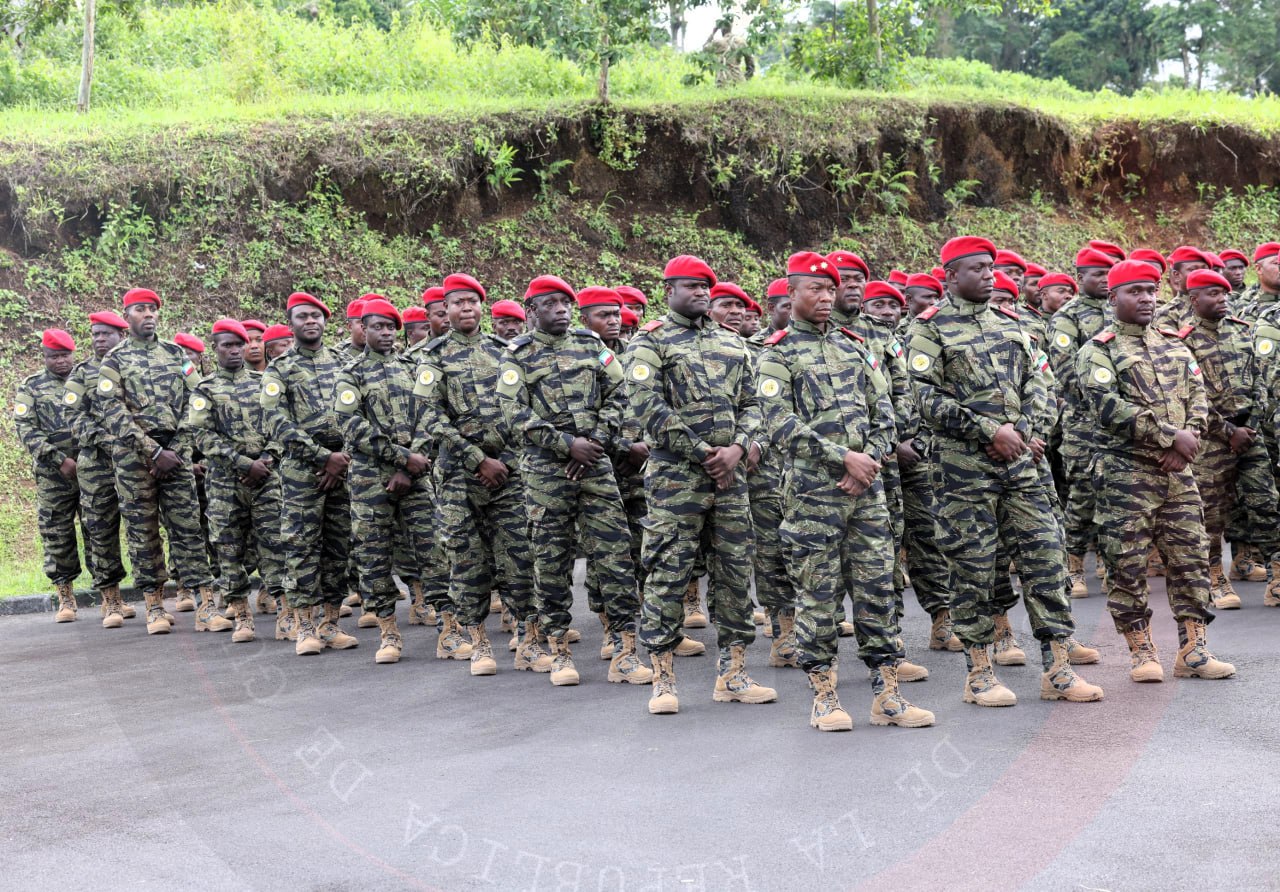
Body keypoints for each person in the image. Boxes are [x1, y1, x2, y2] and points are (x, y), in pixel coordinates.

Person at [907, 237, 1102, 707]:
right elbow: (924, 398)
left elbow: (1042, 381)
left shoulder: (1013, 324)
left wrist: (1025, 431)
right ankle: (979, 673)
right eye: (977, 268)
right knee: (972, 568)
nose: (990, 275)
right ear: (951, 277)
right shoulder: (927, 331)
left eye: (992, 267)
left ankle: (1057, 668)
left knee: (1045, 562)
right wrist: (990, 430)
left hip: (1021, 467)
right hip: (962, 473)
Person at [758, 254, 934, 731]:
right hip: (814, 497)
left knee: (877, 591)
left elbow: (885, 413)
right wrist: (843, 458)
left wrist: (868, 461)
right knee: (817, 596)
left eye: (830, 290)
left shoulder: (857, 347)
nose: (824, 297)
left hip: (867, 493)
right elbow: (779, 423)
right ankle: (825, 697)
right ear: (790, 293)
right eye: (814, 289)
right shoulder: (776, 353)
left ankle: (888, 696)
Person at [624, 255, 774, 714]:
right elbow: (646, 404)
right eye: (691, 287)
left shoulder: (733, 343)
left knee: (732, 573)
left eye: (706, 287)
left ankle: (732, 673)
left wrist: (739, 446)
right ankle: (663, 678)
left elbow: (754, 401)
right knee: (668, 573)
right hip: (675, 478)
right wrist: (703, 452)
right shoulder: (650, 343)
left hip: (730, 478)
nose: (701, 294)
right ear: (668, 290)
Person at [1076, 260, 1235, 682]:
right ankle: (1141, 651)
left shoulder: (1174, 343)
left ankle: (1194, 649)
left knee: (1191, 559)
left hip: (1179, 474)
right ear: (1113, 298)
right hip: (1126, 476)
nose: (1146, 298)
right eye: (1135, 292)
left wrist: (1188, 442)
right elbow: (1109, 408)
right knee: (1126, 564)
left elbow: (1199, 398)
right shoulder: (1099, 350)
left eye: (1151, 290)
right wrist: (1170, 437)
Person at [499, 282, 651, 685]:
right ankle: (559, 651)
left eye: (566, 303)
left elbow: (619, 391)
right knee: (550, 560)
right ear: (532, 310)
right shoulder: (517, 355)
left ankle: (625, 650)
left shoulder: (592, 345)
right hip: (546, 472)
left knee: (615, 555)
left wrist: (596, 442)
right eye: (551, 304)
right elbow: (512, 412)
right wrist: (567, 445)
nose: (561, 310)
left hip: (596, 466)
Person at [414, 273, 538, 677]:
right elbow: (431, 417)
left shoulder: (505, 352)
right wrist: (475, 459)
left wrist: (505, 462)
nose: (465, 309)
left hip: (508, 474)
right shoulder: (433, 357)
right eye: (456, 303)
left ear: (482, 307)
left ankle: (529, 639)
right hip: (458, 479)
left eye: (472, 302)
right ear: (444, 310)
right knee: (467, 561)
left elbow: (524, 409)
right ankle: (479, 643)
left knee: (519, 556)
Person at [96, 288, 220, 635]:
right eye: (140, 309)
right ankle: (154, 606)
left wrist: (177, 449)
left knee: (188, 529)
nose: (148, 315)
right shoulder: (114, 360)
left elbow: (197, 399)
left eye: (152, 309)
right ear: (127, 316)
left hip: (176, 454)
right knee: (143, 531)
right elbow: (113, 411)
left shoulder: (177, 354)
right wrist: (152, 451)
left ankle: (206, 606)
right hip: (135, 458)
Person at [333, 297, 432, 664]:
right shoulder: (350, 374)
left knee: (432, 550)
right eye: (378, 327)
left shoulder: (414, 368)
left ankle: (450, 628)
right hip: (370, 480)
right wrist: (401, 456)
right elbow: (351, 425)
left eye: (391, 327)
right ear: (364, 329)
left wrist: (410, 465)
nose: (386, 333)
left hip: (417, 476)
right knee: (373, 555)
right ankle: (389, 632)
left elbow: (429, 415)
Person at [1179, 269, 1280, 609]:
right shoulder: (1183, 341)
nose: (1222, 299)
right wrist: (1227, 431)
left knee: (1266, 504)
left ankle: (1277, 576)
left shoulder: (1242, 332)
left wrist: (1250, 424)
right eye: (1213, 294)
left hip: (1250, 435)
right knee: (1212, 513)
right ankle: (1214, 577)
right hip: (1211, 441)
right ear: (1195, 300)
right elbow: (1189, 399)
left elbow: (1259, 383)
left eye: (1224, 294)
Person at [260, 292, 355, 652]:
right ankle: (304, 627)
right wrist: (321, 457)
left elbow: (359, 412)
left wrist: (341, 457)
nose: (310, 321)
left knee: (338, 544)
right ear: (291, 323)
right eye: (302, 317)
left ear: (325, 321)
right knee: (300, 545)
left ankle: (330, 622)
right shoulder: (279, 369)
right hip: (303, 473)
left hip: (344, 469)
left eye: (316, 315)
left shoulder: (345, 364)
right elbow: (276, 420)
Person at [186, 319, 290, 644]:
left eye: (238, 344)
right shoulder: (204, 389)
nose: (234, 350)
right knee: (228, 548)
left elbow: (282, 424)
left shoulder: (265, 382)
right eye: (226, 345)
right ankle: (242, 616)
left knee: (275, 543)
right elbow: (202, 435)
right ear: (215, 348)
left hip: (266, 480)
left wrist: (268, 458)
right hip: (224, 485)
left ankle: (286, 613)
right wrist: (244, 463)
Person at [1048, 247, 1115, 596]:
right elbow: (1065, 373)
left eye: (1110, 273)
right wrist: (1109, 393)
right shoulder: (1066, 318)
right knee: (1083, 495)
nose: (1105, 280)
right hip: (1083, 423)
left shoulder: (1120, 312)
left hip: (1117, 424)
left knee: (1115, 494)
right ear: (1080, 278)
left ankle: (1108, 561)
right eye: (1097, 274)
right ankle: (1073, 563)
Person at [62, 312, 133, 627]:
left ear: (122, 335)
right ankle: (112, 601)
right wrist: (108, 439)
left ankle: (154, 599)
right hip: (96, 463)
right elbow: (72, 414)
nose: (99, 339)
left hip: (134, 459)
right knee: (100, 530)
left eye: (106, 333)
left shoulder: (134, 367)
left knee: (143, 529)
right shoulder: (81, 373)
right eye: (95, 334)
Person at [15, 330, 87, 623]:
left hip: (91, 470)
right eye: (54, 356)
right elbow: (25, 428)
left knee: (99, 531)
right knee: (57, 533)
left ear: (73, 353)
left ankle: (110, 595)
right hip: (52, 476)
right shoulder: (31, 387)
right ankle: (66, 597)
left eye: (65, 355)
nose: (60, 361)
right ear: (44, 356)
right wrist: (59, 460)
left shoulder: (86, 379)